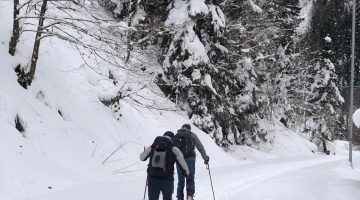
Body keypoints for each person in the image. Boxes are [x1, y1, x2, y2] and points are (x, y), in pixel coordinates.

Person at [140, 131, 190, 200]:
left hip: (152, 178)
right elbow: (183, 163)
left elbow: (142, 157)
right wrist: (187, 174)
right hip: (167, 179)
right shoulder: (174, 149)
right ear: (172, 139)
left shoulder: (153, 146)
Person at [174, 124, 209, 200]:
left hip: (179, 160)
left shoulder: (177, 135)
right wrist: (205, 158)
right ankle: (190, 195)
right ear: (189, 129)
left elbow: (173, 148)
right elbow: (200, 146)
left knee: (181, 180)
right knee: (190, 178)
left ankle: (179, 197)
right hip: (190, 160)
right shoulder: (192, 135)